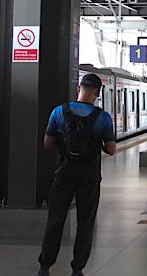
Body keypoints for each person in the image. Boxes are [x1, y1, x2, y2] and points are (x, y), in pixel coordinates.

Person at [37, 73, 116, 276]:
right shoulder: (103, 117)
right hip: (89, 176)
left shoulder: (58, 112)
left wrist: (66, 147)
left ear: (78, 88)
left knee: (55, 220)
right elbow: (111, 149)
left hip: (63, 173)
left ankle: (45, 266)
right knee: (85, 222)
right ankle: (77, 268)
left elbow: (48, 144)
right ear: (97, 93)